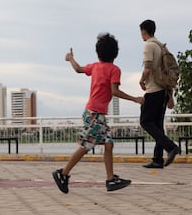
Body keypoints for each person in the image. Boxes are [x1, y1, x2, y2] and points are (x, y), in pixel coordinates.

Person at [52, 33, 144, 194]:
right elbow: (114, 91)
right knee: (86, 146)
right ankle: (63, 173)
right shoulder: (114, 70)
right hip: (95, 114)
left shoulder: (95, 66)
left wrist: (70, 58)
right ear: (115, 53)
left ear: (98, 52)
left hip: (93, 113)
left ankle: (110, 179)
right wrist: (135, 99)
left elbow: (78, 69)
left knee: (108, 143)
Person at [139, 19, 180, 169]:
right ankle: (157, 159)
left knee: (145, 121)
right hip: (163, 91)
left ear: (144, 31)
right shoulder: (162, 46)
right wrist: (170, 95)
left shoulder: (149, 45)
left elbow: (148, 68)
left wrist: (141, 80)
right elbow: (167, 71)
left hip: (154, 90)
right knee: (157, 124)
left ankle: (170, 147)